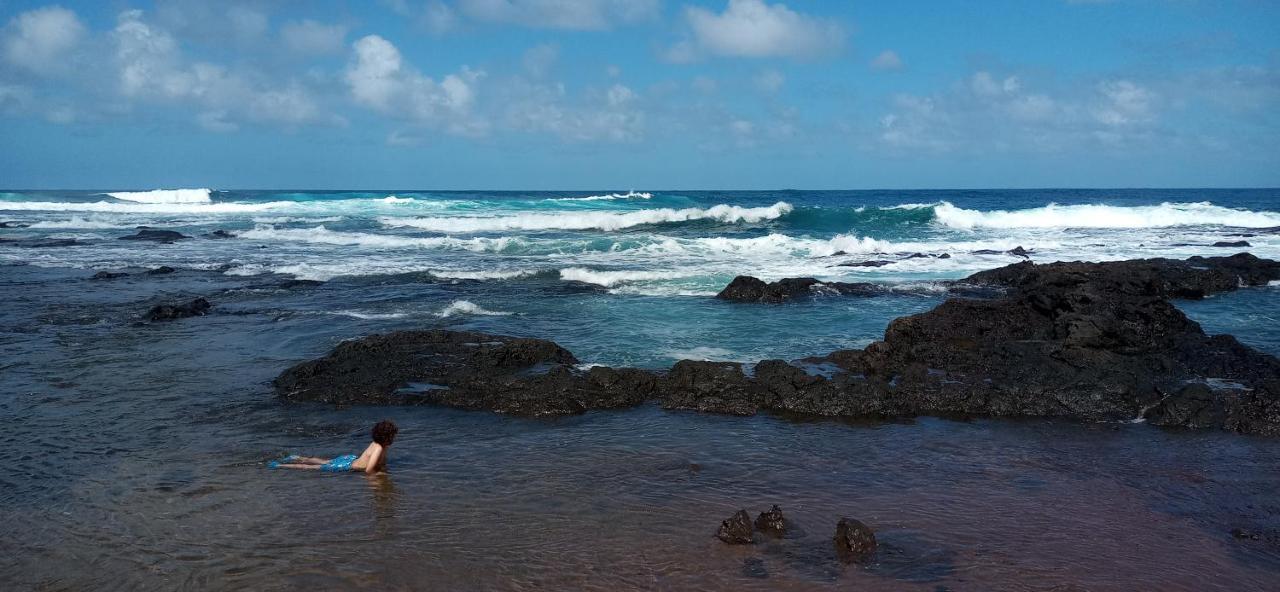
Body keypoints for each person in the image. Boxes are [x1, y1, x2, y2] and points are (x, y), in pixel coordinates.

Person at [270, 420, 398, 474]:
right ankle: (279, 465)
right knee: (316, 467)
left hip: (350, 459)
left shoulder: (379, 444)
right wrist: (381, 475)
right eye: (393, 436)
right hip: (347, 465)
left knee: (325, 461)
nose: (394, 438)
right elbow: (368, 470)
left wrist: (383, 467)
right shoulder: (379, 448)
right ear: (386, 437)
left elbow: (381, 462)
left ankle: (296, 457)